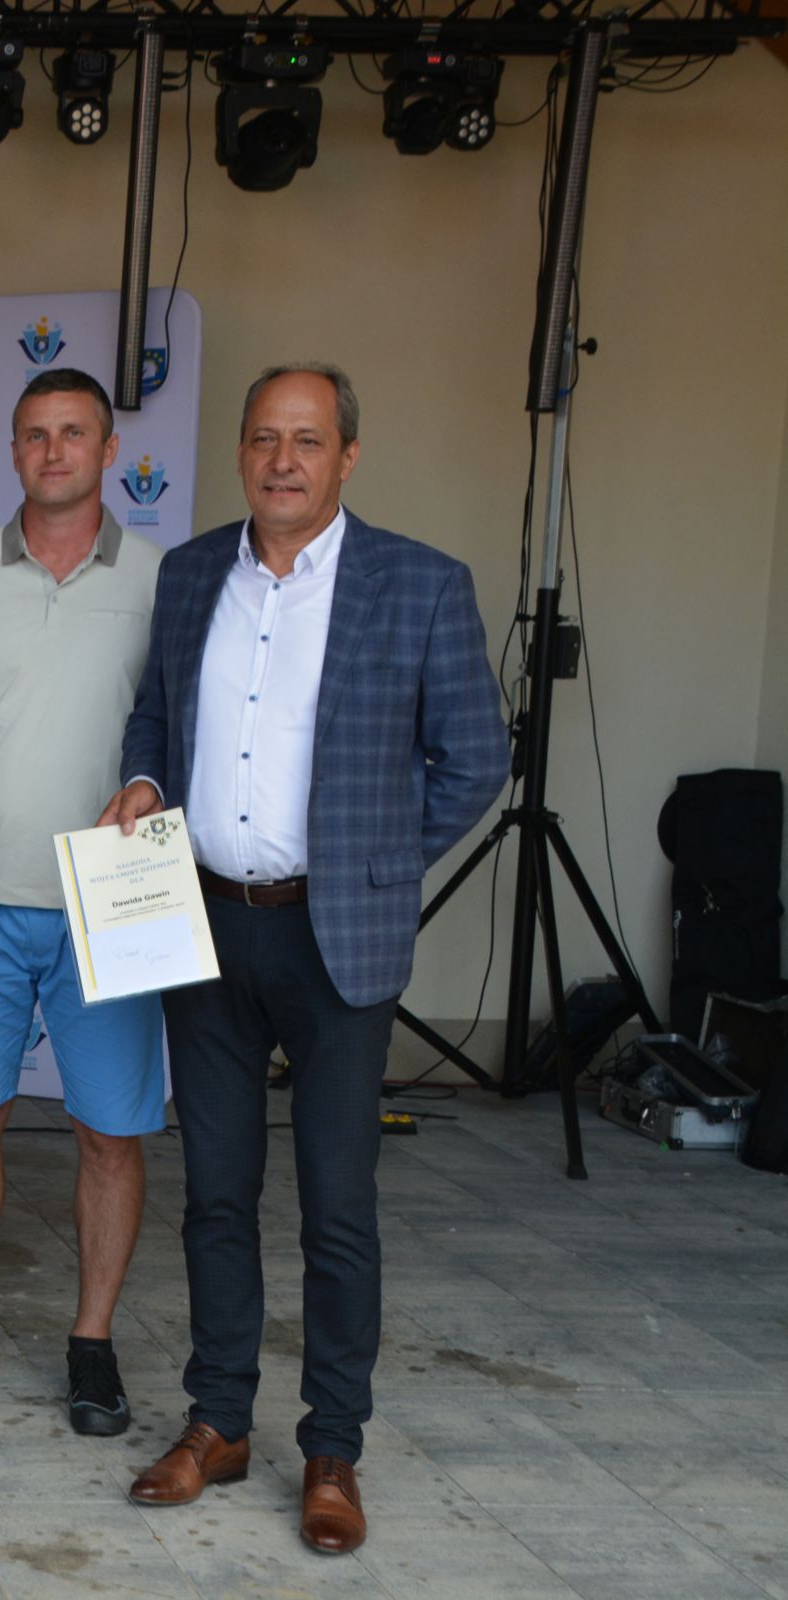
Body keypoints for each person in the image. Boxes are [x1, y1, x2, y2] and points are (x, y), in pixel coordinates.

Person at [100, 365, 504, 1556]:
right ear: (241, 451)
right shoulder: (190, 574)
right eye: (266, 438)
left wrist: (376, 860)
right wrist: (144, 779)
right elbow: (154, 714)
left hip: (339, 934)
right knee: (216, 1194)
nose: (284, 460)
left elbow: (475, 758)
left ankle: (333, 1446)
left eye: (309, 440)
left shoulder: (421, 583)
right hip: (206, 923)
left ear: (347, 456)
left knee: (338, 1204)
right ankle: (220, 1420)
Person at [0, 369, 166, 1435]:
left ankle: (92, 1342)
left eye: (73, 433)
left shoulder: (163, 578)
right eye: (34, 435)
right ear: (13, 450)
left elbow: (180, 728)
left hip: (114, 904)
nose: (54, 451)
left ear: (108, 449)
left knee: (112, 1133)